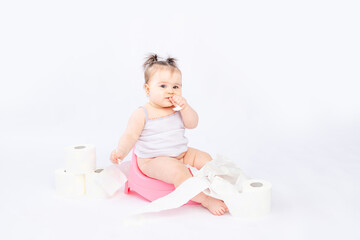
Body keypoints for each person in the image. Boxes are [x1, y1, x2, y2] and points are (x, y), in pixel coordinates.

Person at [110, 54, 228, 216]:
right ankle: (205, 199)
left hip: (181, 153)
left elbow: (192, 124)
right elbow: (130, 136)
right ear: (147, 89)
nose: (170, 92)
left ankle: (221, 186)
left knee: (204, 157)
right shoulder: (142, 113)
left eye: (175, 87)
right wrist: (120, 152)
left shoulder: (177, 109)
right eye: (163, 86)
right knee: (177, 170)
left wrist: (185, 108)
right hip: (153, 160)